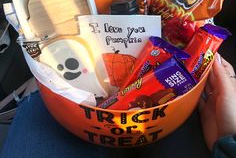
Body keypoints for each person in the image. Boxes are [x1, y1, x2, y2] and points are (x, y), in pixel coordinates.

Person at [0, 53, 236, 158]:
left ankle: (45, 85)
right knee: (183, 107)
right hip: (214, 142)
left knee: (38, 107)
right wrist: (227, 139)